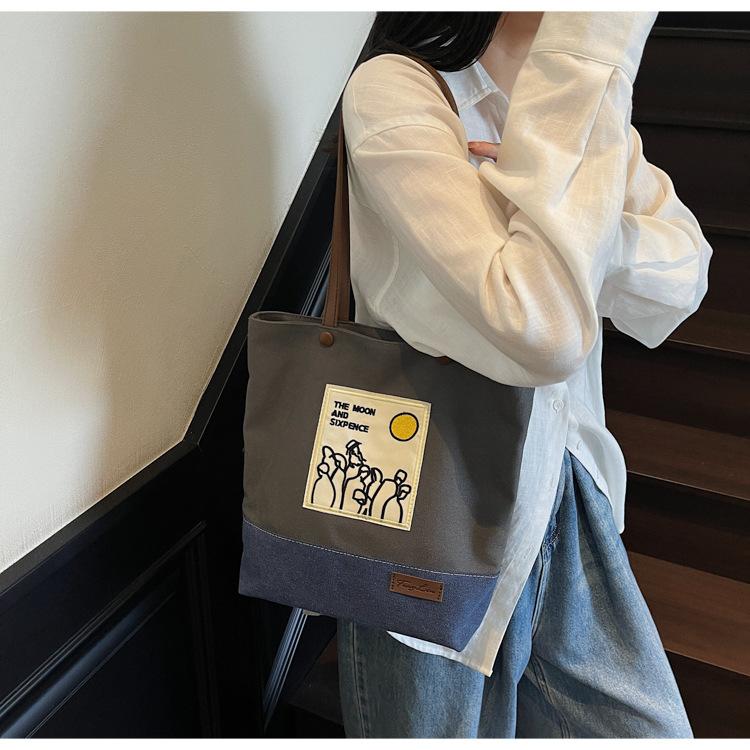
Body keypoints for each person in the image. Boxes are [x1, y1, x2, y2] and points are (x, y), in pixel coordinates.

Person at [334, 11, 713, 739]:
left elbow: (683, 277)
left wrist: (571, 227)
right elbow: (540, 326)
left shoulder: (588, 115)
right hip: (427, 502)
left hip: (567, 490)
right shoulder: (396, 91)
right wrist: (582, 58)